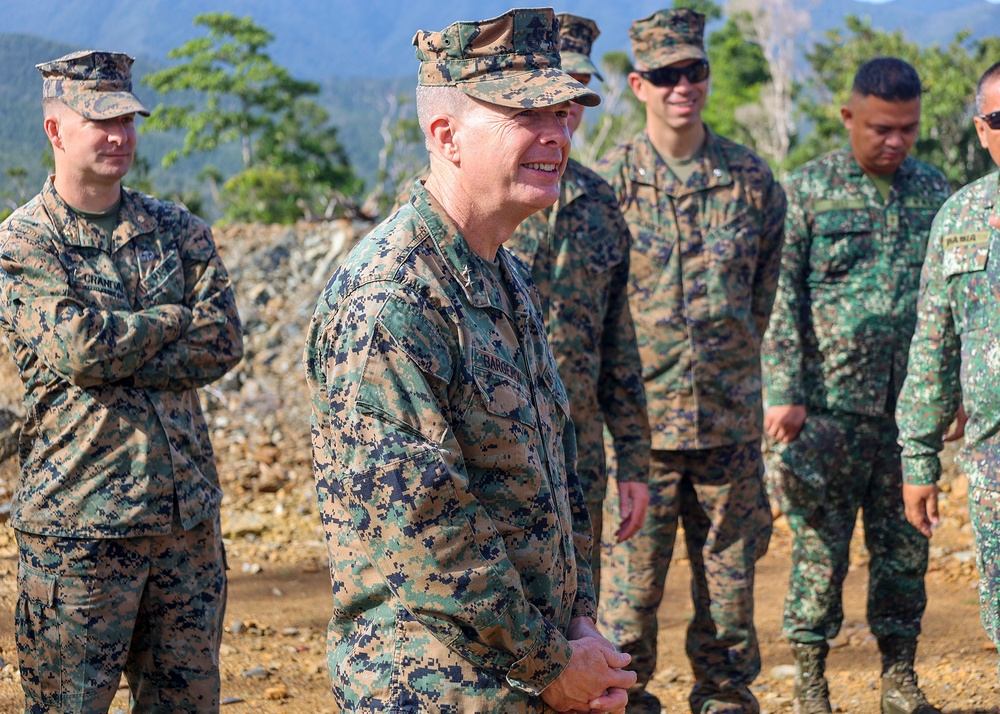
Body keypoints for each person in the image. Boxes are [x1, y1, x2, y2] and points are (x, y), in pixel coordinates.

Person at [303, 8, 636, 713]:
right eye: (523, 113)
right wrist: (550, 663)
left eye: (562, 111)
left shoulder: (497, 272)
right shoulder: (394, 299)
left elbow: (554, 461)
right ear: (446, 135)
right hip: (435, 686)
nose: (556, 133)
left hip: (520, 673)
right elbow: (426, 527)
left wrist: (577, 619)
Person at [0, 50, 243, 712]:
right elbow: (78, 349)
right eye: (101, 121)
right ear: (55, 131)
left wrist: (120, 347)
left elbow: (222, 341)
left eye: (128, 121)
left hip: (184, 528)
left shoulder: (175, 230)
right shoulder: (24, 243)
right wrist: (170, 319)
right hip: (80, 533)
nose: (120, 136)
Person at [594, 8, 786, 714]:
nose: (683, 86)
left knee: (731, 599)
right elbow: (597, 312)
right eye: (665, 75)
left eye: (694, 71)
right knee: (626, 600)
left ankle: (725, 700)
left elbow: (759, 297)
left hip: (729, 430)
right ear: (639, 84)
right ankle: (621, 701)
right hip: (639, 438)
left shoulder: (752, 180)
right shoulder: (606, 185)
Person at [762, 58, 950, 714]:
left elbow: (948, 302)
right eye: (879, 128)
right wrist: (783, 389)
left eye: (907, 129)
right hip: (826, 415)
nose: (894, 141)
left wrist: (947, 395)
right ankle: (811, 684)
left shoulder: (934, 190)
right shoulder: (807, 191)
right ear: (849, 118)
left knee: (904, 556)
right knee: (820, 555)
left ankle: (899, 679)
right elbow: (779, 297)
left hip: (906, 418)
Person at [506, 12, 651, 597]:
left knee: (575, 603)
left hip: (579, 450)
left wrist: (634, 461)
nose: (567, 108)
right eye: (552, 91)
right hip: (497, 442)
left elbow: (619, 344)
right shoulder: (474, 197)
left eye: (577, 94)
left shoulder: (599, 200)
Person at [897, 60, 1000, 678]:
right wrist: (919, 458)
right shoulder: (960, 219)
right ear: (982, 129)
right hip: (992, 461)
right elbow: (932, 346)